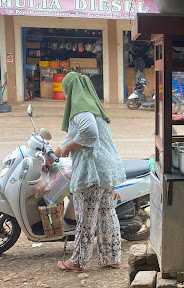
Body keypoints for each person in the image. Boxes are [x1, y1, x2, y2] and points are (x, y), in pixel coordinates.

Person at [55, 71, 125, 272]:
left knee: (85, 218)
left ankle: (77, 261)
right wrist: (62, 147)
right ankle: (111, 257)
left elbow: (90, 134)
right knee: (106, 213)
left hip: (91, 171)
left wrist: (67, 148)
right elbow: (81, 134)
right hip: (105, 170)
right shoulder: (93, 108)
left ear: (71, 89)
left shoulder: (80, 110)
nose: (66, 96)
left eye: (66, 91)